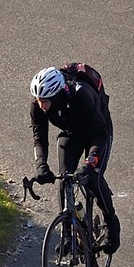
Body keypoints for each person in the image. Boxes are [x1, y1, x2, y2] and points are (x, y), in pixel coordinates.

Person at [30, 64, 119, 251]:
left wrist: (91, 161)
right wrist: (41, 165)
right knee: (65, 179)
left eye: (46, 101)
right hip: (71, 133)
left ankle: (111, 222)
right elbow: (39, 139)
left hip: (97, 132)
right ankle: (68, 235)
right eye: (38, 100)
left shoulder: (81, 95)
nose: (42, 105)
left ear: (57, 95)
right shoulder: (37, 107)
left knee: (93, 176)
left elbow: (101, 134)